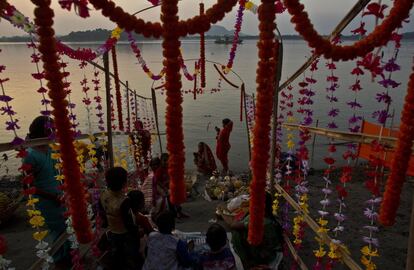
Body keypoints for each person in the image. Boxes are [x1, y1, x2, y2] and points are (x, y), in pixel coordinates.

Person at [23, 116, 71, 268]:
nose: (54, 131)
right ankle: (59, 260)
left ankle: (67, 257)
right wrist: (52, 196)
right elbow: (27, 186)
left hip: (60, 196)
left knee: (66, 226)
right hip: (47, 201)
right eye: (51, 129)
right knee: (57, 230)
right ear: (43, 130)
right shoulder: (30, 155)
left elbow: (58, 171)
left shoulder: (50, 148)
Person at [99, 167, 141, 269]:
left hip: (111, 231)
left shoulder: (104, 194)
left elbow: (101, 210)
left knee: (118, 256)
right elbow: (128, 222)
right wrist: (137, 231)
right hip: (124, 234)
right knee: (130, 256)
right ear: (123, 183)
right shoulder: (124, 201)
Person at [230, 193, 284, 269]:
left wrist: (242, 220)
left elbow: (233, 225)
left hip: (262, 256)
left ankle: (249, 262)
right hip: (261, 252)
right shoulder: (266, 216)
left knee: (236, 234)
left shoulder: (262, 222)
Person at [127, 190, 154, 261]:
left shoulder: (127, 215)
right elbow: (151, 233)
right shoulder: (141, 218)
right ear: (140, 203)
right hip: (138, 247)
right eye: (143, 200)